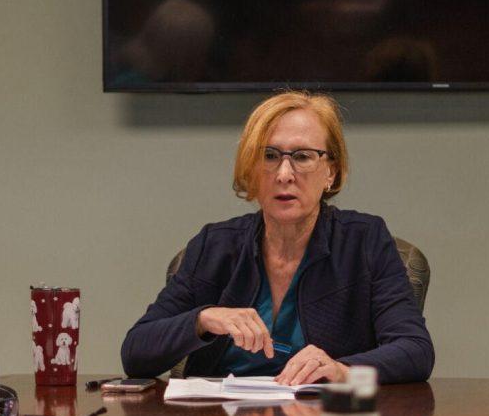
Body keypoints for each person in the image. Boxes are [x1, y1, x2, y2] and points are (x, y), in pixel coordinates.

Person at [121, 91, 433, 385]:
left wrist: (341, 370)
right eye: (269, 156)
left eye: (303, 156)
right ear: (252, 169)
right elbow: (135, 354)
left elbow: (415, 350)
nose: (284, 173)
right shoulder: (214, 246)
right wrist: (202, 319)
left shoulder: (364, 242)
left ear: (331, 173)